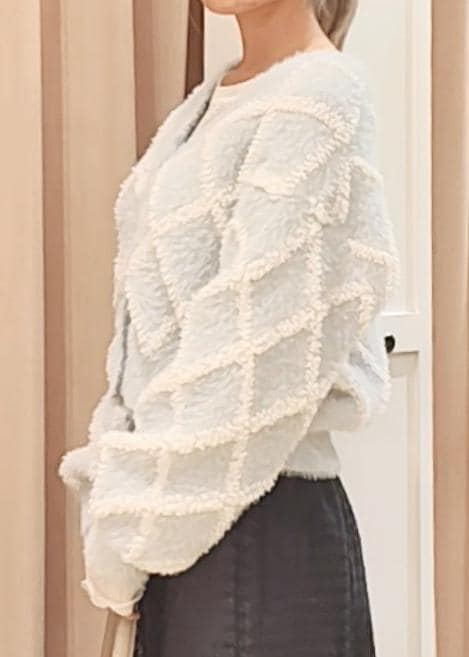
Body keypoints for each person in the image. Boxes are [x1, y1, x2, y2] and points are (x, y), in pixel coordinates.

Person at [58, 1, 400, 655]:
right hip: (183, 530)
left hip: (259, 542)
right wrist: (122, 511)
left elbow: (250, 367)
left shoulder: (320, 98)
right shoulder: (211, 103)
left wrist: (126, 530)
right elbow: (143, 343)